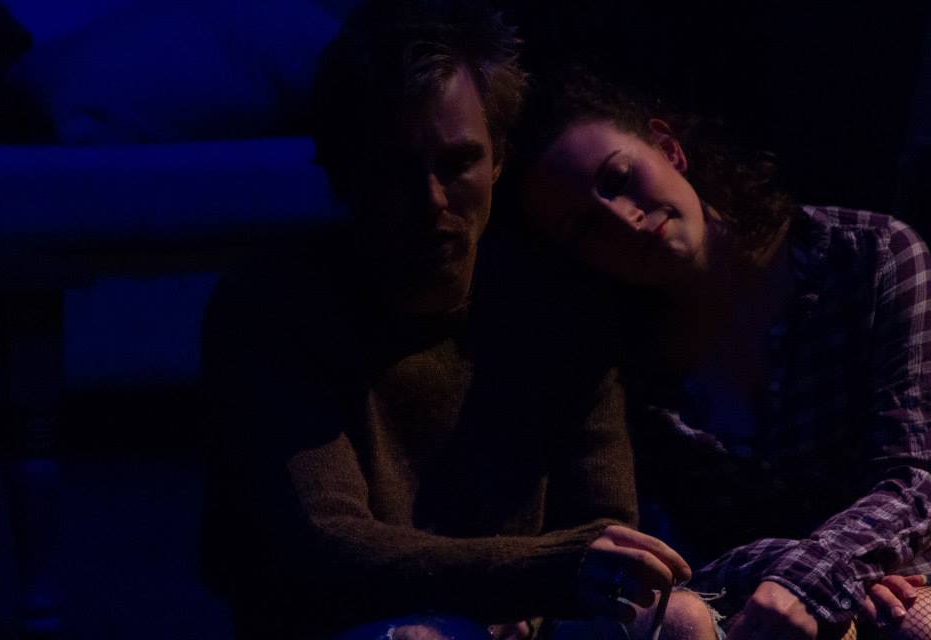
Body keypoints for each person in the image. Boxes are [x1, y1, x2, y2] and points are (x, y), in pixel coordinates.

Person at [202, 3, 714, 639]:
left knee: (679, 619)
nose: (432, 201)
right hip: (360, 623)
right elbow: (326, 543)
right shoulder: (275, 307)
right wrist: (530, 576)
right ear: (344, 175)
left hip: (528, 612)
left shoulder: (557, 301)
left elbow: (603, 521)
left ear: (497, 161)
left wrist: (538, 597)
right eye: (396, 170)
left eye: (457, 163)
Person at [515, 72, 931, 640]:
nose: (624, 219)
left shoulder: (866, 256)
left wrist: (827, 572)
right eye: (585, 227)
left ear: (668, 148)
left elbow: (914, 478)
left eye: (619, 179)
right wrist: (800, 570)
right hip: (741, 600)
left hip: (894, 571)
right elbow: (664, 553)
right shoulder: (620, 360)